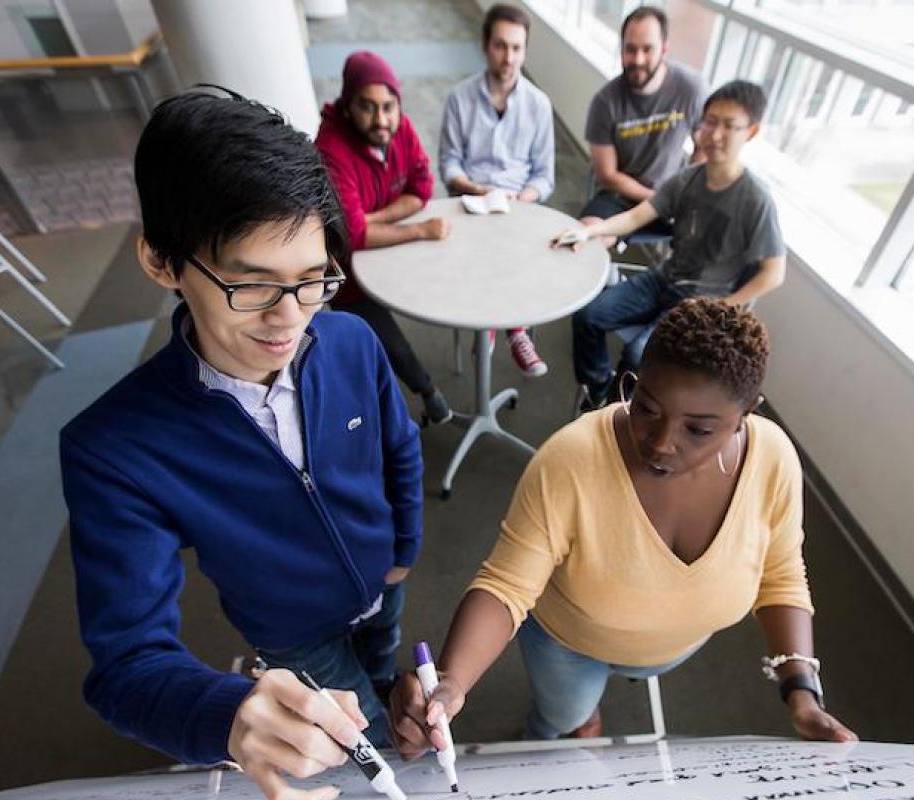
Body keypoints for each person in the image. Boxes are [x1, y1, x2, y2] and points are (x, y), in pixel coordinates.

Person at [60, 88, 423, 800]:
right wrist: (228, 714)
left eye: (313, 279)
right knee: (357, 741)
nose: (291, 320)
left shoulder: (350, 340)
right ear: (163, 261)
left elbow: (400, 449)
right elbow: (126, 663)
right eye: (252, 287)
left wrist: (404, 553)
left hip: (383, 584)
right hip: (291, 634)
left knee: (385, 667)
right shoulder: (114, 449)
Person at [389, 298, 856, 750]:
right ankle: (572, 719)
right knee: (559, 719)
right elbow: (507, 584)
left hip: (674, 645)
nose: (660, 443)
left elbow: (781, 575)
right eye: (647, 406)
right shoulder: (570, 459)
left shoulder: (772, 458)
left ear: (745, 415)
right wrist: (451, 682)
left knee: (610, 687)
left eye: (697, 429)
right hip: (569, 644)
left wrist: (802, 695)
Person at [558, 80, 786, 409]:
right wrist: (589, 232)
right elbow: (638, 216)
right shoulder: (689, 179)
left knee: (640, 354)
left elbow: (773, 273)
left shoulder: (756, 199)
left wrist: (722, 308)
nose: (716, 134)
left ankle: (616, 416)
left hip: (702, 303)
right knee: (588, 316)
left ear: (750, 132)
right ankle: (599, 388)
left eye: (729, 126)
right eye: (710, 121)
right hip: (664, 280)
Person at [315, 50, 453, 424]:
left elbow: (422, 188)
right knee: (379, 339)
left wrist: (373, 219)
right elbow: (354, 237)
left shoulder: (399, 126)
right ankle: (427, 391)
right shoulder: (330, 151)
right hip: (349, 270)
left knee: (459, 281)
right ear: (347, 106)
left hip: (390, 247)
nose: (381, 119)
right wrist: (419, 230)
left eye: (389, 106)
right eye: (368, 107)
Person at [439, 3, 555, 378]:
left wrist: (521, 199)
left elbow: (544, 177)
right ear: (485, 45)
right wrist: (475, 188)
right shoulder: (459, 98)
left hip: (519, 203)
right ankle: (513, 328)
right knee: (484, 243)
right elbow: (449, 164)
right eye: (501, 46)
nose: (509, 57)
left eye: (517, 48)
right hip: (472, 199)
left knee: (514, 242)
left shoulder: (538, 105)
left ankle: (500, 324)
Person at [580, 5, 708, 239]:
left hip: (673, 198)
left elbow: (705, 147)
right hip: (620, 197)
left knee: (718, 239)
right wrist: (657, 198)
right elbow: (607, 174)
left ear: (664, 49)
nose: (638, 59)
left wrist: (689, 191)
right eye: (630, 49)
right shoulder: (605, 102)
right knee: (587, 234)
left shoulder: (692, 89)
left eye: (647, 49)